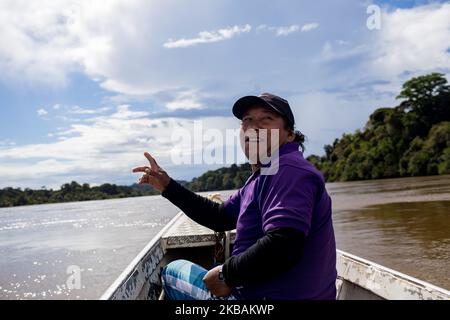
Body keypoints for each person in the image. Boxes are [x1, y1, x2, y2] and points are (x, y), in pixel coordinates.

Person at [132, 93, 337, 300]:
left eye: (266, 119)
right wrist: (168, 186)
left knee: (172, 271)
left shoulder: (288, 170)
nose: (253, 127)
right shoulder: (264, 175)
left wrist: (225, 275)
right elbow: (220, 216)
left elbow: (284, 244)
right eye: (247, 120)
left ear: (290, 134)